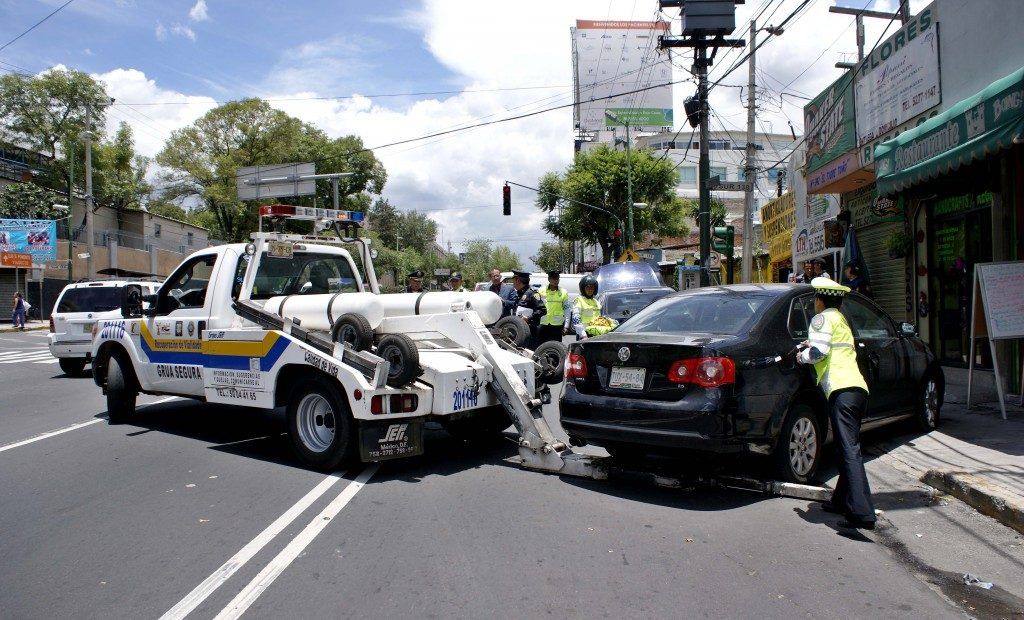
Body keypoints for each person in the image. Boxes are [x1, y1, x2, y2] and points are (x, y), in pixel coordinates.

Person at [796, 277, 876, 530]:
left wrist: (802, 355)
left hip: (841, 390)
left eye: (815, 300)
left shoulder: (820, 319)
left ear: (820, 301)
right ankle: (840, 501)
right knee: (846, 447)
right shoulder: (840, 319)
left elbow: (818, 353)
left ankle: (862, 512)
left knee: (849, 449)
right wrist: (814, 344)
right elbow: (833, 347)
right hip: (857, 390)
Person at [511, 270, 545, 348]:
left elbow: (542, 310)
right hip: (519, 330)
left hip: (530, 331)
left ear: (518, 280)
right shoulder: (519, 293)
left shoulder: (533, 293)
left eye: (514, 280)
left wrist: (529, 318)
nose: (513, 283)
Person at [536, 271, 570, 345]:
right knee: (540, 348)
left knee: (556, 349)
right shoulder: (540, 290)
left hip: (557, 326)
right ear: (549, 279)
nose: (556, 281)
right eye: (554, 278)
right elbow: (536, 307)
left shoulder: (563, 292)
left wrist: (566, 326)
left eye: (557, 278)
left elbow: (567, 309)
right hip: (543, 324)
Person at [570, 275, 605, 339]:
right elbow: (575, 319)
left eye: (592, 287)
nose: (590, 289)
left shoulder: (596, 302)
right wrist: (583, 334)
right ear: (583, 288)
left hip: (596, 334)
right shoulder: (579, 300)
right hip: (584, 334)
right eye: (587, 287)